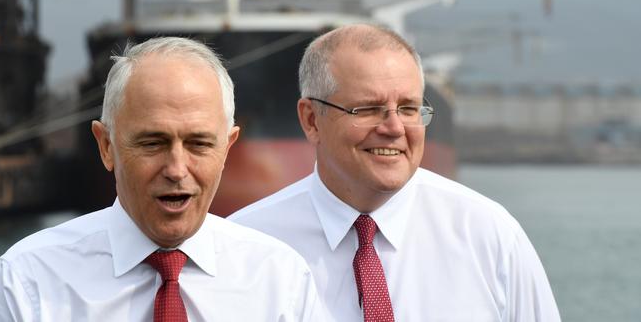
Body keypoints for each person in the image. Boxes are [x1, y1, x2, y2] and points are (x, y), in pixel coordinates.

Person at [229, 24, 562, 321]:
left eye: (408, 109)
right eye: (369, 109)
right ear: (311, 120)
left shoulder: (491, 237)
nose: (393, 128)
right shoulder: (243, 248)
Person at [0, 37, 322, 321]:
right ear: (106, 146)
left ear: (227, 149)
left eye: (199, 144)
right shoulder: (28, 281)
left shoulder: (281, 280)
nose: (177, 169)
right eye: (152, 143)